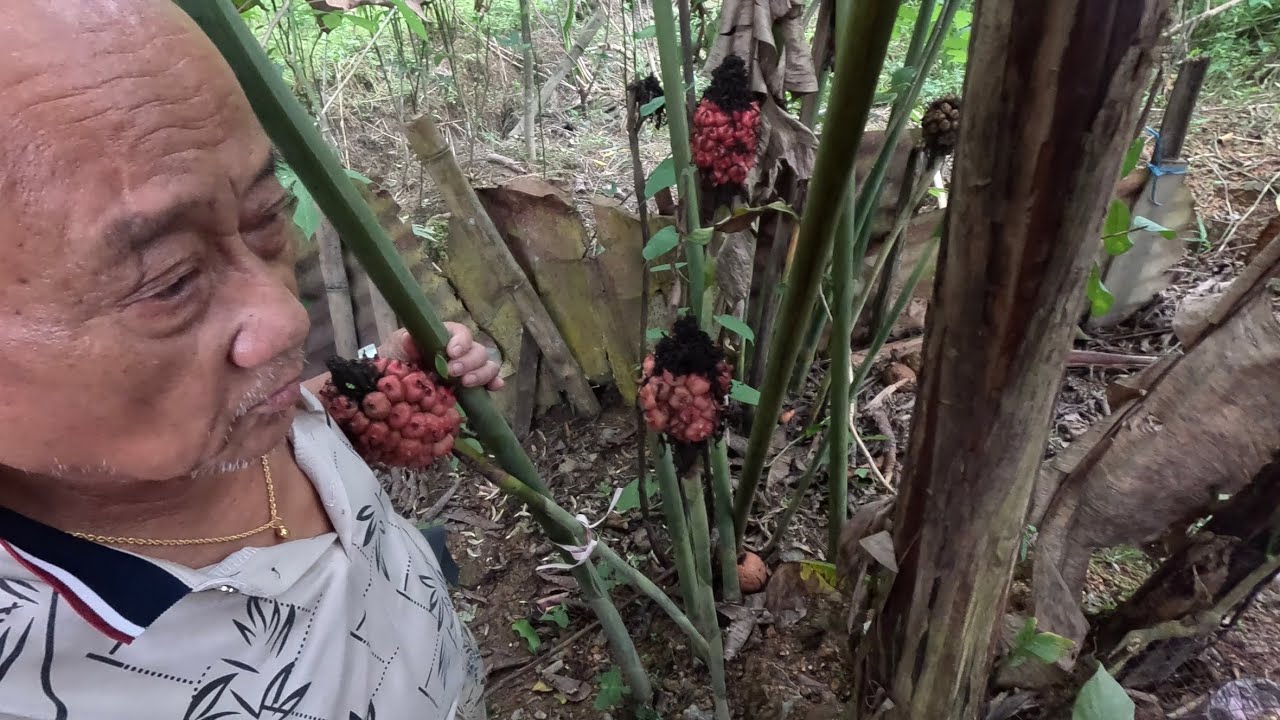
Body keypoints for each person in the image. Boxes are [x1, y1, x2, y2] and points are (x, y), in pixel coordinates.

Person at [0, 2, 502, 718]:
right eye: (169, 279)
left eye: (266, 216)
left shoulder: (226, 417)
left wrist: (375, 388)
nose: (286, 319)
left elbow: (302, 429)